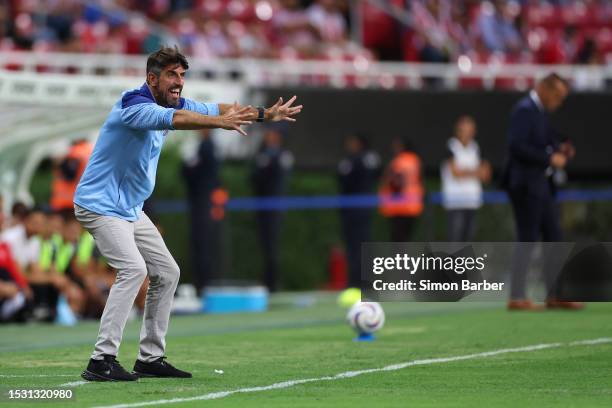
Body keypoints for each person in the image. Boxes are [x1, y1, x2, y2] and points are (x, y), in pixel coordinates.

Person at [73, 46, 302, 382]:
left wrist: (265, 114)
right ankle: (101, 359)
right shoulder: (133, 105)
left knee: (167, 272)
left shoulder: (172, 101)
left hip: (129, 210)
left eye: (182, 75)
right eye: (171, 74)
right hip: (98, 205)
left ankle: (150, 358)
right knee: (134, 269)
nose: (179, 81)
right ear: (152, 78)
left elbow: (220, 108)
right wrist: (218, 122)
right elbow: (179, 120)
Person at [502, 72, 581, 311]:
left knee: (554, 236)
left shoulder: (539, 112)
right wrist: (550, 157)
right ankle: (516, 296)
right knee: (527, 238)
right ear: (543, 88)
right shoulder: (525, 109)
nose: (559, 101)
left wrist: (561, 147)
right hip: (525, 184)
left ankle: (555, 294)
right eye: (556, 95)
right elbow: (516, 146)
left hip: (541, 185)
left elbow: (545, 139)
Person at [251, 125, 294, 292]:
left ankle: (273, 283)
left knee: (272, 244)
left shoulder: (282, 155)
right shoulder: (262, 153)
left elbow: (277, 177)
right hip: (262, 205)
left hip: (275, 205)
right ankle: (267, 281)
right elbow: (254, 177)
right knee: (264, 244)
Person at [337, 134, 380, 287]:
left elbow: (366, 175)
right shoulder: (348, 159)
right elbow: (342, 178)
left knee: (363, 244)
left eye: (353, 143)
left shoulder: (365, 158)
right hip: (348, 209)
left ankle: (365, 281)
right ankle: (353, 282)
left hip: (362, 208)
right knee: (351, 246)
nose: (350, 146)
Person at [181, 129, 221, 293]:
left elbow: (191, 172)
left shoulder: (207, 147)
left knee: (202, 243)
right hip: (203, 202)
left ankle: (204, 284)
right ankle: (203, 283)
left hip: (204, 202)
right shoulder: (205, 147)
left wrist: (188, 164)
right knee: (201, 243)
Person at [441, 116, 491, 242]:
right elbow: (456, 173)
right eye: (465, 130)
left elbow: (486, 175)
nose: (468, 133)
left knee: (468, 241)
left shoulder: (476, 147)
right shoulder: (451, 146)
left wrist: (466, 171)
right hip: (455, 201)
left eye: (471, 130)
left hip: (472, 201)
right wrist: (476, 171)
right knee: (454, 240)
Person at [379, 138, 424, 242]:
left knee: (398, 240)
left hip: (398, 205)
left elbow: (396, 182)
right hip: (413, 205)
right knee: (407, 238)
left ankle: (399, 258)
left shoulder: (399, 161)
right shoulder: (415, 159)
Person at [50, 138, 94, 213]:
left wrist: (60, 164)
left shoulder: (75, 152)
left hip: (67, 200)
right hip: (85, 199)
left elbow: (69, 174)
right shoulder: (91, 150)